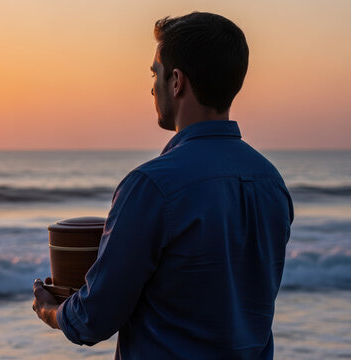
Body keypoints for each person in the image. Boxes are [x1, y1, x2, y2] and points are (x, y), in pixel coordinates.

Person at [32, 11, 294, 359]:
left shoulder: (152, 187)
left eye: (154, 73)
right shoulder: (271, 183)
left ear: (176, 81)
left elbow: (93, 319)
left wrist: (51, 310)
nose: (151, 85)